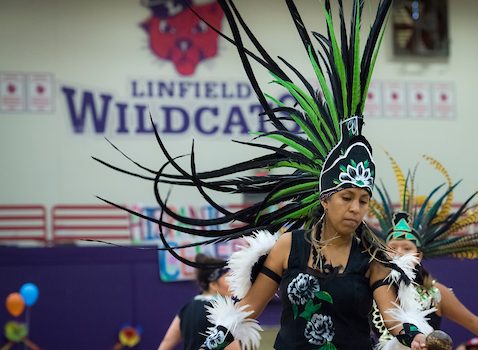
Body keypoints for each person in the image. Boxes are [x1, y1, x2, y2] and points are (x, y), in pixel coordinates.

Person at [97, 1, 432, 349]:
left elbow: (393, 318)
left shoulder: (373, 256)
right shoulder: (290, 246)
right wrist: (210, 344)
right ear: (325, 198)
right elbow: (246, 311)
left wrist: (420, 337)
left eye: (364, 200)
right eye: (347, 197)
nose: (356, 208)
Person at [369, 156, 478, 350]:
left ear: (419, 255)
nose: (399, 253)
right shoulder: (372, 288)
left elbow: (471, 321)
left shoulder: (436, 293)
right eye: (393, 248)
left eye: (407, 248)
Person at [158, 254, 240, 350]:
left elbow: (166, 343)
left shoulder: (187, 308)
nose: (232, 282)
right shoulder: (222, 310)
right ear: (213, 284)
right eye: (227, 278)